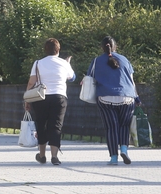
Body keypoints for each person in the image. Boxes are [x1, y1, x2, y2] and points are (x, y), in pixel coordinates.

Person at [88, 36, 141, 165]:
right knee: (124, 126)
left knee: (111, 128)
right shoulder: (125, 60)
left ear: (102, 47)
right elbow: (131, 81)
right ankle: (124, 149)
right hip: (127, 97)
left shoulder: (96, 61)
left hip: (105, 98)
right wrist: (137, 98)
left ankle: (113, 158)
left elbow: (89, 79)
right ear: (115, 46)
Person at [23, 38, 75, 165]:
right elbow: (72, 78)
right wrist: (68, 63)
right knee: (56, 126)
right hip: (59, 97)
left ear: (45, 50)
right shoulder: (63, 63)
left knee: (41, 124)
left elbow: (31, 82)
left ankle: (41, 155)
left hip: (41, 97)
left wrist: (26, 99)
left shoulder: (37, 63)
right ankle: (54, 156)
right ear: (58, 50)